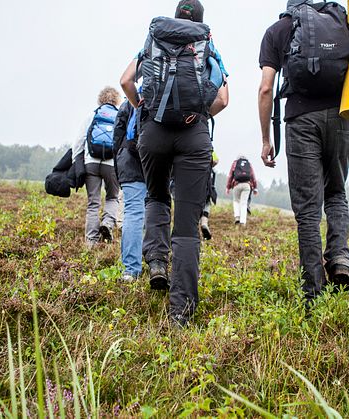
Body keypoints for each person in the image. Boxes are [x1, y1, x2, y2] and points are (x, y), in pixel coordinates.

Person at [120, 0, 229, 326]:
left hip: (153, 133)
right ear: (200, 20)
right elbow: (223, 98)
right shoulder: (207, 45)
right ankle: (180, 312)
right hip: (193, 136)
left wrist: (143, 107)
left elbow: (126, 80)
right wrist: (200, 113)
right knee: (186, 227)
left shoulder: (155, 39)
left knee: (155, 196)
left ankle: (155, 262)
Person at [257, 0, 349, 303]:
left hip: (300, 120)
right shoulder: (341, 24)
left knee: (308, 212)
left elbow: (265, 89)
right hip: (342, 116)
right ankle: (339, 258)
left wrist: (265, 139)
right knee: (336, 192)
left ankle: (313, 292)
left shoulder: (277, 30)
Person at [74, 87, 122, 246]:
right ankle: (108, 223)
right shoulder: (120, 116)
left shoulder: (92, 116)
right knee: (112, 197)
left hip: (91, 163)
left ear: (100, 100)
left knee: (93, 203)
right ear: (117, 100)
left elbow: (78, 143)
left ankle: (91, 243)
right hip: (111, 164)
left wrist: (77, 164)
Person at [112, 99, 145, 281]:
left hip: (129, 160)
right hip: (155, 163)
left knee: (133, 213)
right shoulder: (164, 97)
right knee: (154, 213)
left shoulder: (129, 102)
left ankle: (131, 269)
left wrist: (119, 162)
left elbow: (117, 136)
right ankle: (153, 261)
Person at [225, 155, 258, 226]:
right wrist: (255, 188)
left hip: (237, 184)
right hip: (247, 185)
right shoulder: (249, 164)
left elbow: (230, 175)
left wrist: (228, 187)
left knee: (236, 201)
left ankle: (237, 217)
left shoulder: (235, 163)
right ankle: (243, 222)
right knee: (244, 203)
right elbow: (253, 176)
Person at [200, 151, 219, 240]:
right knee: (207, 204)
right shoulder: (210, 148)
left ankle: (192, 229)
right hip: (207, 188)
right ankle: (204, 222)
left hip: (195, 184)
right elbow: (216, 160)